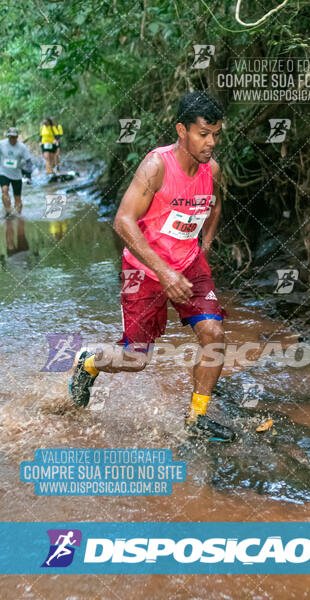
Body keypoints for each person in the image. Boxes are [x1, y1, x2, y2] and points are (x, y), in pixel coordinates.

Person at [69, 91, 235, 442]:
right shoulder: (156, 166)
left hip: (188, 264)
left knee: (214, 336)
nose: (211, 142)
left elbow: (215, 207)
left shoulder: (212, 170)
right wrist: (164, 272)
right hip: (144, 270)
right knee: (136, 358)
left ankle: (196, 419)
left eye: (216, 134)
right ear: (181, 130)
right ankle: (88, 361)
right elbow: (124, 221)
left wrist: (203, 247)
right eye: (203, 134)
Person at [0, 127, 32, 217]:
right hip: (4, 172)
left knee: (17, 198)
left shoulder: (22, 147)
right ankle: (7, 211)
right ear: (8, 137)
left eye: (14, 137)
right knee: (4, 190)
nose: (12, 139)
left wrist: (28, 174)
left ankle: (18, 216)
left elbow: (29, 161)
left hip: (16, 174)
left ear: (17, 137)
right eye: (11, 137)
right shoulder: (2, 144)